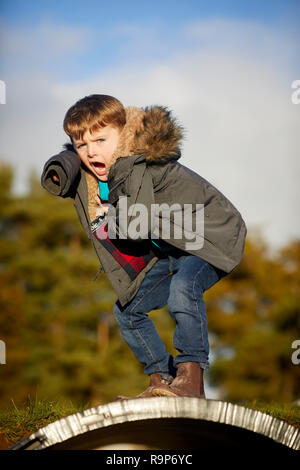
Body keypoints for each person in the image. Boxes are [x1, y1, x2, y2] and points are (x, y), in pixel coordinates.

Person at [41, 94, 247, 400]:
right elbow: (72, 163)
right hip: (175, 246)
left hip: (211, 237)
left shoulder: (135, 164)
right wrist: (63, 163)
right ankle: (161, 379)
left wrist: (111, 215)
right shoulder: (104, 169)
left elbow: (135, 229)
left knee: (183, 289)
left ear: (123, 134)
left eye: (99, 140)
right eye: (81, 145)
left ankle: (191, 380)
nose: (90, 151)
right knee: (128, 310)